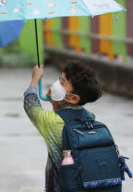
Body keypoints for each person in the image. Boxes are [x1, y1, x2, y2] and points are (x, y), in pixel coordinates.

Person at [23, 61, 102, 192]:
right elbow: (65, 114)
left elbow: (30, 106)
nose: (56, 84)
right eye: (59, 80)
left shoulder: (53, 122)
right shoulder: (90, 117)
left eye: (62, 83)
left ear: (74, 98)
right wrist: (55, 101)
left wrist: (35, 79)